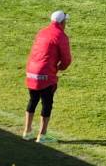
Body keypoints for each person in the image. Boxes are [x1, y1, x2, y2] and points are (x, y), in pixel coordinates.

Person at [24, 10, 73, 143]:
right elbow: (66, 60)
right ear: (62, 22)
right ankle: (42, 136)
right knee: (47, 104)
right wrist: (58, 68)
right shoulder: (61, 36)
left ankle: (27, 131)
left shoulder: (42, 32)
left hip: (31, 71)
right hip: (45, 74)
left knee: (33, 100)